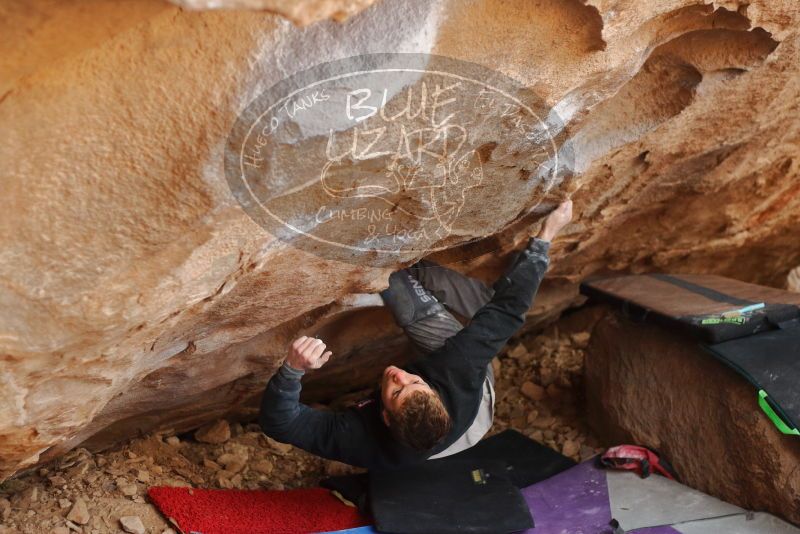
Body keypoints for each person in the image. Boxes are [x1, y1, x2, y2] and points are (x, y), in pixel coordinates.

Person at [259, 200, 573, 470]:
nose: (399, 375)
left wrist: (292, 369)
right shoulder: (456, 370)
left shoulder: (365, 441)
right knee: (402, 278)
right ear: (433, 389)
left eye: (396, 391)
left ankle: (473, 302)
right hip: (474, 411)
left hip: (434, 445)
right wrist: (546, 236)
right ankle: (466, 295)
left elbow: (281, 424)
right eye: (414, 381)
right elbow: (509, 311)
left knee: (390, 279)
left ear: (383, 417)